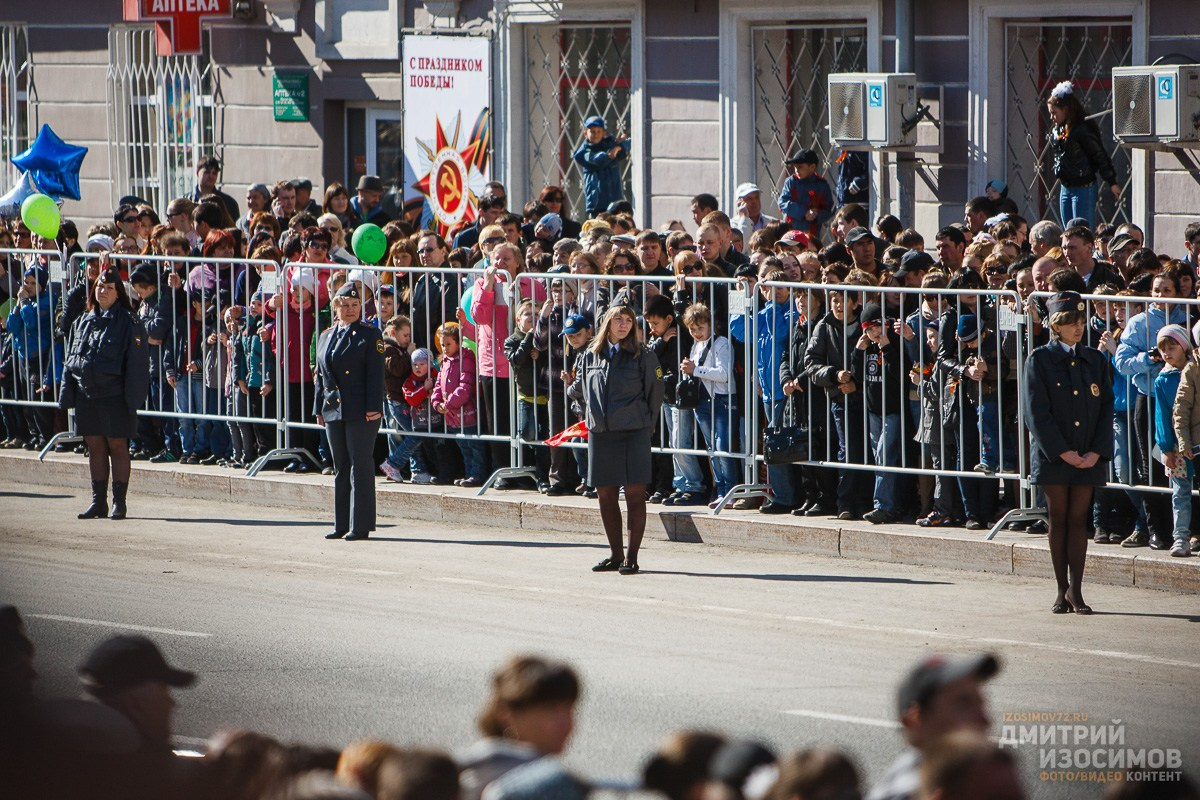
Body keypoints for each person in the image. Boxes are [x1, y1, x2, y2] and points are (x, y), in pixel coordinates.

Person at [1024, 291, 1113, 614]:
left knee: (1079, 520)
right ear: (1056, 326)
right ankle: (1061, 589)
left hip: (1087, 454)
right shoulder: (1041, 359)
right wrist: (1062, 452)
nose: (1078, 327)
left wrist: (1096, 453)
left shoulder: (1094, 359)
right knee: (1058, 519)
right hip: (1055, 456)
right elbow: (1036, 412)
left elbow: (1105, 408)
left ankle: (1077, 591)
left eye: (1080, 321)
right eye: (1071, 322)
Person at [571, 305, 665, 574]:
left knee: (635, 493)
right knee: (605, 494)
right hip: (602, 433)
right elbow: (581, 389)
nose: (624, 325)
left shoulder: (643, 354)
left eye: (628, 320)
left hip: (634, 430)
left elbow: (656, 389)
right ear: (606, 323)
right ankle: (615, 554)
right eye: (618, 320)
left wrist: (646, 422)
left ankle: (632, 557)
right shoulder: (591, 354)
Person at [59, 262, 150, 520]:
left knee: (118, 446)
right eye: (100, 286)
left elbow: (137, 364)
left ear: (118, 292)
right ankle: (98, 501)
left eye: (109, 288)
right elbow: (71, 358)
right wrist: (68, 394)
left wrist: (133, 399)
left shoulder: (128, 321)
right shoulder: (84, 319)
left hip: (115, 395)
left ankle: (119, 502)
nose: (103, 291)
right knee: (94, 445)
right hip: (87, 393)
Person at [866, 653, 999, 800]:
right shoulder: (909, 793)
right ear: (914, 721)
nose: (985, 720)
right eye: (964, 705)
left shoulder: (968, 780)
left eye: (981, 705)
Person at [316, 283, 385, 541]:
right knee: (341, 466)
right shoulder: (326, 335)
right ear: (336, 307)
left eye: (355, 305)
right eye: (345, 305)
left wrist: (374, 408)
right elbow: (321, 377)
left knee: (360, 464)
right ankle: (341, 523)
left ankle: (361, 524)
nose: (351, 309)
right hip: (334, 408)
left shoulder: (369, 334)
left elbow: (375, 375)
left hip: (360, 409)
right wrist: (318, 408)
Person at [458, 656, 581, 800]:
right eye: (550, 709)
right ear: (506, 714)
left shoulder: (553, 779)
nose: (566, 723)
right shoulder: (487, 771)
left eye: (569, 709)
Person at [1046, 80, 1120, 229]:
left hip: (1083, 187)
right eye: (1050, 113)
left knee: (1081, 230)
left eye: (1054, 113)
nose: (1052, 118)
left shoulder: (1082, 129)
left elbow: (1099, 155)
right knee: (1068, 230)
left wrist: (1111, 181)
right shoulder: (1057, 130)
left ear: (1066, 109)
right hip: (1066, 186)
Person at [572, 115, 629, 216]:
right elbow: (598, 160)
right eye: (592, 131)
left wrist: (619, 146)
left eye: (599, 131)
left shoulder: (609, 144)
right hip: (597, 205)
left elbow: (627, 146)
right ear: (585, 133)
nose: (596, 134)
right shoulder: (583, 153)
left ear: (603, 133)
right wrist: (612, 152)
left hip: (614, 200)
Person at [778, 150, 833, 237]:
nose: (796, 170)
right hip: (790, 231)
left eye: (800, 167)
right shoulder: (791, 182)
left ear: (812, 167)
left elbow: (828, 209)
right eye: (795, 167)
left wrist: (816, 215)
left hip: (811, 233)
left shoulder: (822, 186)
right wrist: (804, 212)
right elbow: (782, 203)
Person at [191, 155, 239, 222]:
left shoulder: (228, 202)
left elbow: (234, 229)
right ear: (197, 172)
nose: (211, 176)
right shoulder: (186, 201)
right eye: (207, 172)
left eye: (214, 173)